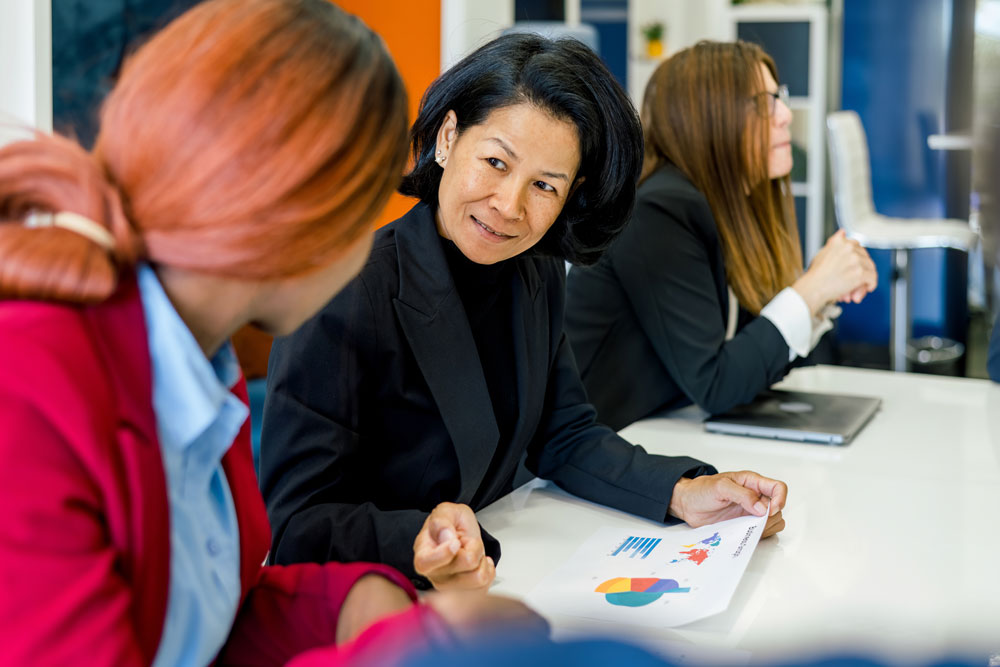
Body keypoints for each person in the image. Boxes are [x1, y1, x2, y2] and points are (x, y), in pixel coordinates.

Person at [0, 1, 542, 664]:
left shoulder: (201, 365)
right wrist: (414, 648)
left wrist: (355, 603)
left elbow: (202, 623)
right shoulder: (27, 394)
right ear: (308, 211)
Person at [260, 33, 788, 594]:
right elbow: (296, 524)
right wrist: (420, 541)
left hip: (491, 582)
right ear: (447, 138)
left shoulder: (535, 271)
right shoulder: (343, 289)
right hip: (370, 599)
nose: (509, 206)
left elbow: (564, 434)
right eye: (495, 162)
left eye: (543, 186)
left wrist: (680, 492)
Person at [564, 40, 879, 430]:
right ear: (708, 119)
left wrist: (822, 294)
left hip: (660, 427)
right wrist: (813, 289)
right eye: (764, 103)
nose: (785, 115)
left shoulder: (724, 207)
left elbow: (752, 364)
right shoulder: (658, 210)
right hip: (587, 450)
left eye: (779, 98)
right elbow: (716, 385)